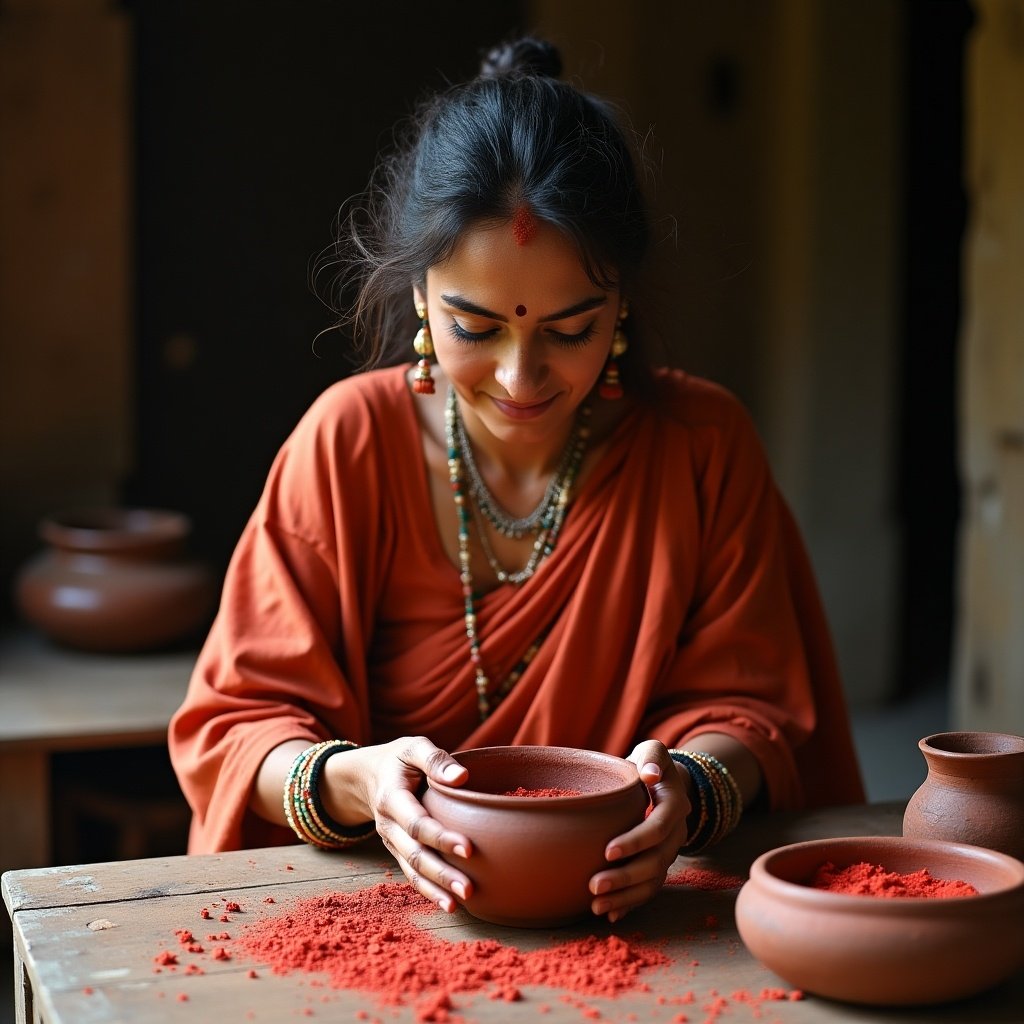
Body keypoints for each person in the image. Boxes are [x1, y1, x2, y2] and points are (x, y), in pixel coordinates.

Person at [169, 37, 864, 924]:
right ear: (421, 295)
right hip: (384, 907)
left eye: (569, 331)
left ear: (622, 306)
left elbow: (757, 708)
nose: (520, 379)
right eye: (476, 326)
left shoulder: (700, 444)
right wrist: (360, 779)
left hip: (631, 908)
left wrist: (688, 789)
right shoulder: (347, 442)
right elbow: (234, 729)